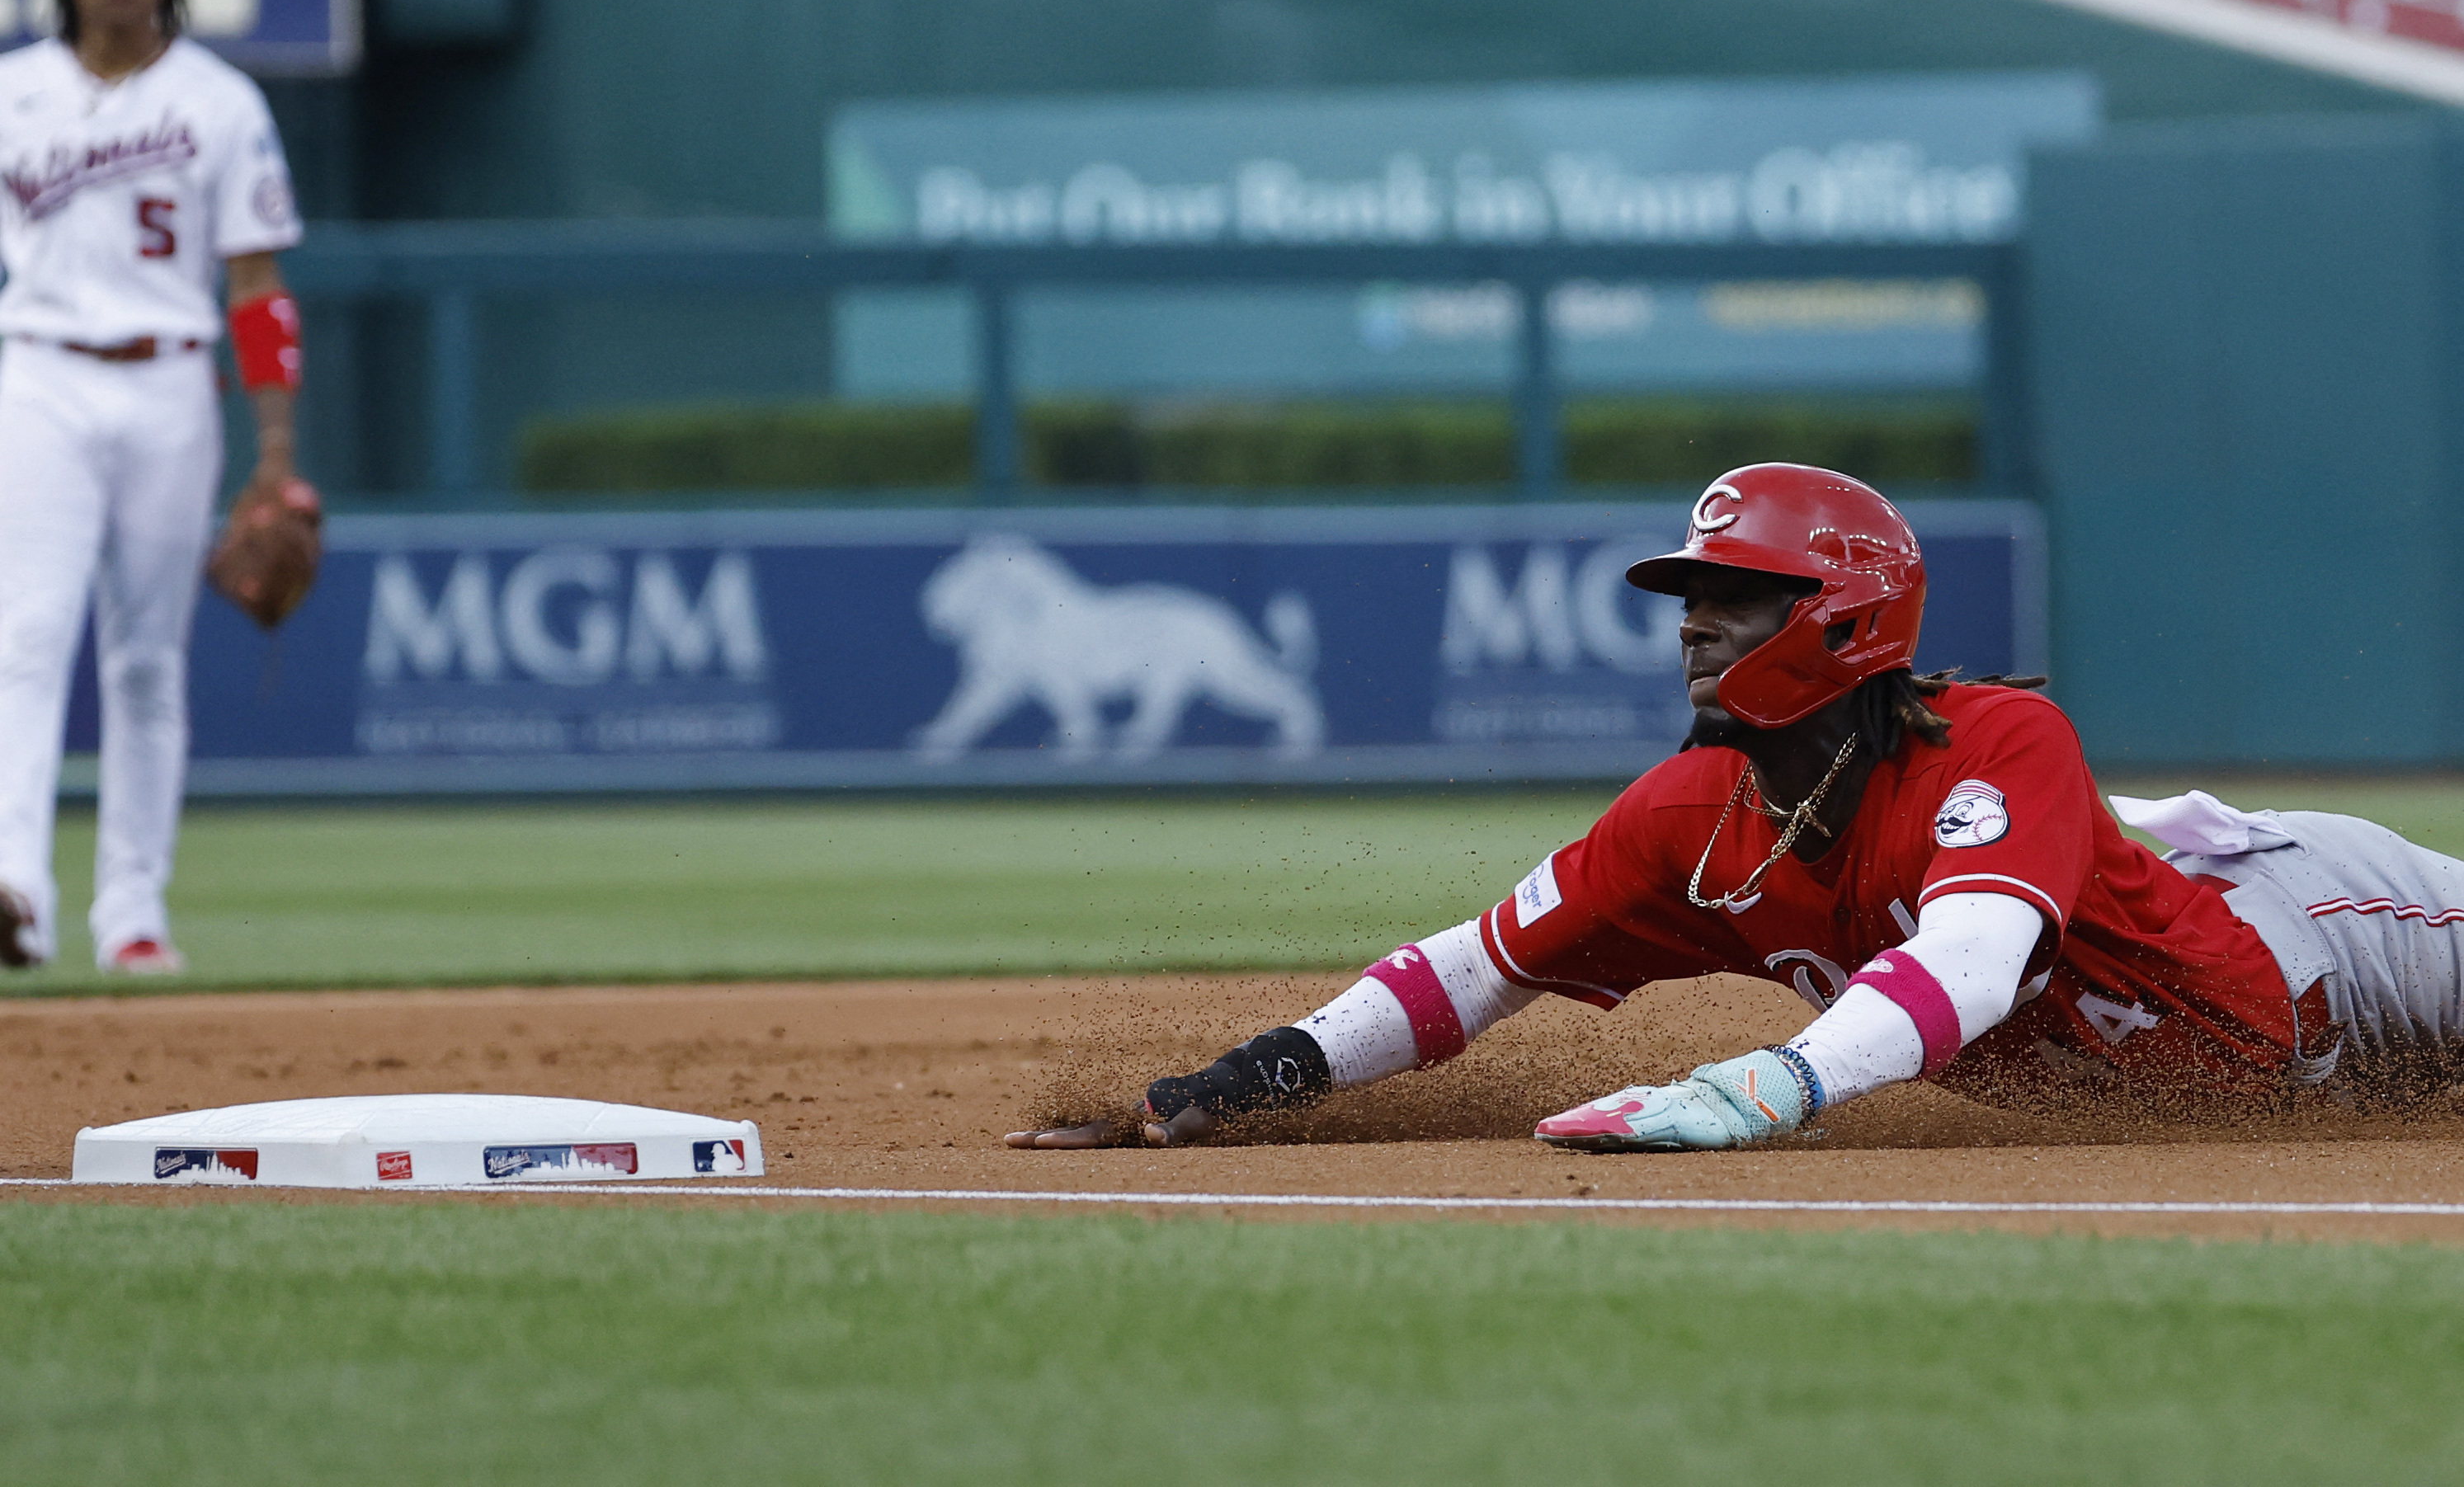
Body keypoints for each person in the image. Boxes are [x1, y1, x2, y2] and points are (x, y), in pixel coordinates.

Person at [1011, 461, 2464, 1152]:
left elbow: (1967, 969)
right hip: (2248, 1074)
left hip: (2325, 938)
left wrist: (1768, 1084)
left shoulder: (1998, 740)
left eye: (1732, 600)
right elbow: (1474, 971)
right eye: (1689, 600)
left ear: (1842, 619)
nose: (1693, 627)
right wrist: (1245, 1079)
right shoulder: (1685, 819)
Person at [0, 0, 309, 976]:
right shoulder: (12, 92)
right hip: (37, 373)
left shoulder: (221, 103)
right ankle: (16, 888)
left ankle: (131, 915)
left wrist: (275, 454)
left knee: (145, 661)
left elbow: (257, 284)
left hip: (173, 381)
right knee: (26, 635)